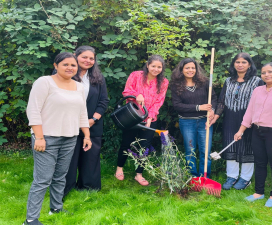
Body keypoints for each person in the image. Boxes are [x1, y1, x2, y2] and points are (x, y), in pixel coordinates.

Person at [24, 52, 92, 225]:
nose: (70, 68)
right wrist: (39, 137)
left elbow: (82, 113)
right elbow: (33, 110)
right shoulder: (44, 82)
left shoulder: (79, 87)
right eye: (65, 64)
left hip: (69, 138)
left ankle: (56, 208)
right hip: (46, 138)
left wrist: (87, 135)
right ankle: (30, 219)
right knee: (42, 179)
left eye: (73, 65)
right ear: (56, 65)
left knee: (60, 176)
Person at [234, 62, 272, 207]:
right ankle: (259, 192)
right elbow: (250, 112)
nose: (267, 75)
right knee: (260, 163)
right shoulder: (258, 90)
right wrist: (241, 131)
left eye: (270, 72)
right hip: (257, 131)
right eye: (263, 73)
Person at [209, 52, 264, 190]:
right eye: (237, 62)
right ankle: (232, 176)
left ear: (249, 64)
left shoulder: (257, 81)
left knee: (247, 147)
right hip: (230, 118)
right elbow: (221, 101)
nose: (240, 65)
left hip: (249, 119)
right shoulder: (229, 81)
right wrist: (216, 117)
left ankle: (245, 178)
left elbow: (260, 103)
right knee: (230, 145)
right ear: (234, 64)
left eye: (244, 62)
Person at [114, 55, 169, 186]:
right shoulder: (136, 75)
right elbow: (126, 91)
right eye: (153, 66)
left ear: (162, 68)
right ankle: (119, 168)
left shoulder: (164, 82)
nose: (156, 69)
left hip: (150, 118)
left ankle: (139, 174)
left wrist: (149, 117)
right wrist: (136, 95)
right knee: (126, 143)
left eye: (159, 67)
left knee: (144, 147)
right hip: (132, 116)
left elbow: (159, 101)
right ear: (148, 65)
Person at [64, 46, 109, 197]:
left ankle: (88, 187)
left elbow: (103, 101)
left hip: (92, 124)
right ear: (75, 56)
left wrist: (94, 119)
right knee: (69, 158)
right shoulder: (65, 74)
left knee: (90, 157)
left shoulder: (98, 77)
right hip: (69, 123)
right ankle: (66, 188)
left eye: (91, 58)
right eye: (84, 57)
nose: (88, 61)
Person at [170, 58, 217, 178]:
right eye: (187, 68)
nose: (190, 70)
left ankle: (204, 177)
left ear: (196, 69)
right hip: (187, 122)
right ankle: (193, 177)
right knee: (190, 151)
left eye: (193, 68)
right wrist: (199, 107)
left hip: (204, 122)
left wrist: (212, 110)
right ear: (181, 70)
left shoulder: (204, 82)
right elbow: (177, 106)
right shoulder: (176, 85)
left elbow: (213, 98)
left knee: (205, 151)